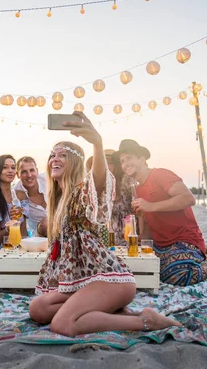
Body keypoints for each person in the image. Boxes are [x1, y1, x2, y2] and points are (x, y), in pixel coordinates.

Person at [29, 112, 180, 337]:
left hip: (110, 279)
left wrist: (97, 144)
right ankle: (118, 314)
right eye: (53, 155)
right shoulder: (58, 201)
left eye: (63, 155)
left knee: (63, 325)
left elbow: (98, 182)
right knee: (38, 308)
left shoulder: (82, 191)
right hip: (85, 281)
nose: (55, 159)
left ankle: (146, 320)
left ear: (75, 163)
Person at [114, 139, 207, 286]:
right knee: (141, 270)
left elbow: (188, 198)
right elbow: (147, 229)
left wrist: (150, 206)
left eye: (129, 158)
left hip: (184, 240)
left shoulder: (160, 174)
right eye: (122, 161)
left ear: (142, 159)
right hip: (160, 245)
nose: (125, 164)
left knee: (176, 275)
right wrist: (140, 241)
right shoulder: (137, 190)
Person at [0, 155, 29, 252]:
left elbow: (23, 231)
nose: (10, 170)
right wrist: (10, 225)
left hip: (19, 249)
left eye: (13, 167)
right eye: (5, 167)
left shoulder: (20, 196)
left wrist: (27, 250)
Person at [14, 156, 48, 237]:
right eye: (24, 172)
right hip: (39, 236)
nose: (29, 175)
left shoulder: (48, 180)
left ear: (37, 171)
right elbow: (21, 223)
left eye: (32, 170)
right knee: (45, 224)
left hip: (61, 229)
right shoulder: (17, 195)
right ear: (18, 175)